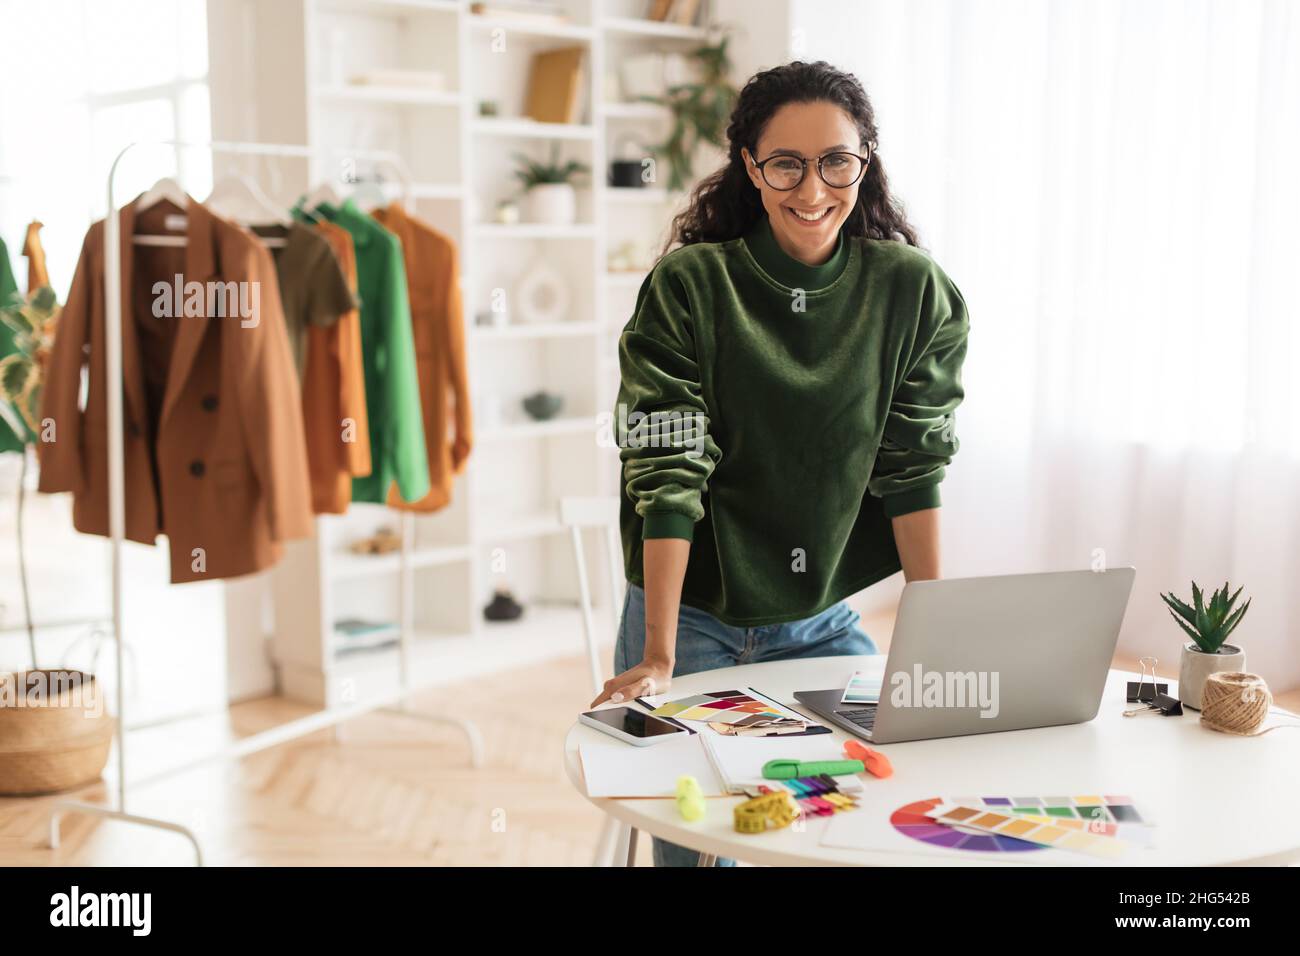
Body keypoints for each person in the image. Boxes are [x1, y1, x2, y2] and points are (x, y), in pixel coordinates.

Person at [591, 60, 971, 867]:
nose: (812, 188)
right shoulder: (692, 285)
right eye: (785, 164)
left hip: (822, 620)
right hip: (690, 618)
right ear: (751, 170)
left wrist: (931, 639)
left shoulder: (913, 292)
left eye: (836, 160)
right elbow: (668, 470)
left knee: (875, 813)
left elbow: (914, 465)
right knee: (700, 845)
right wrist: (656, 652)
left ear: (864, 163)